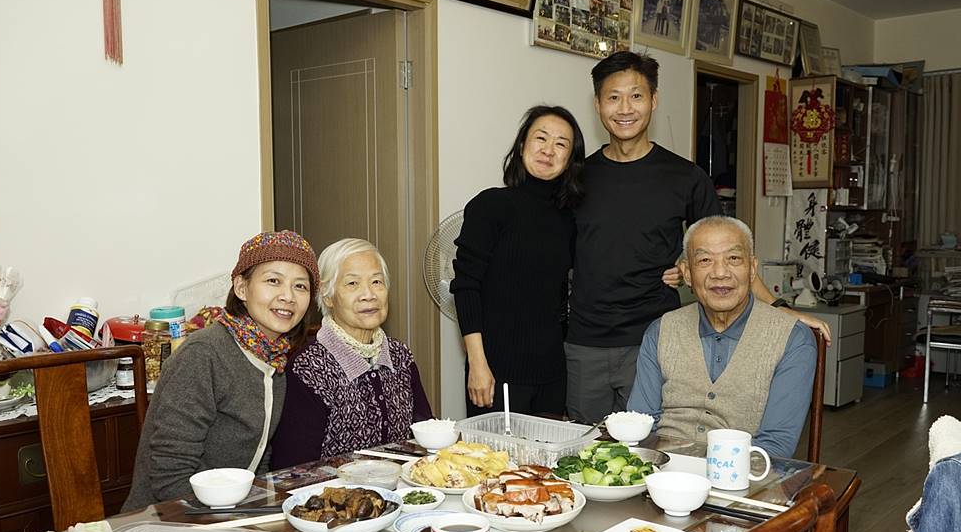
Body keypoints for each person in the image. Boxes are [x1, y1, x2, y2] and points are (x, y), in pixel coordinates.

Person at [564, 50, 829, 424]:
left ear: (654, 100)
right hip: (585, 342)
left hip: (655, 340)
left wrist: (780, 308)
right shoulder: (577, 177)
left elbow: (728, 253)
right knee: (586, 445)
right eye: (613, 97)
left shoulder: (684, 177)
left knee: (653, 444)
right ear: (598, 104)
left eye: (636, 96)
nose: (625, 108)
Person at [122, 230, 318, 511]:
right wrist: (229, 524)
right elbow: (170, 474)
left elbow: (260, 456)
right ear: (241, 288)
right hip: (170, 516)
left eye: (300, 286)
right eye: (273, 281)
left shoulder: (274, 359)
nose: (288, 296)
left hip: (232, 511)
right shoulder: (204, 354)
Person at [627, 216, 816, 458]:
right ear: (687, 273)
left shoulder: (793, 339)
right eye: (705, 260)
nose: (720, 273)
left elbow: (776, 445)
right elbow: (640, 424)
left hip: (742, 474)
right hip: (663, 469)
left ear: (752, 269)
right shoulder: (661, 330)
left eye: (733, 258)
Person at [451, 105, 585, 417]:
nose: (548, 150)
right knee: (491, 451)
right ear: (523, 144)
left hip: (552, 373)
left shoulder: (569, 219)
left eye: (561, 144)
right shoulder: (490, 206)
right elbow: (466, 287)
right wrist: (477, 364)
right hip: (496, 371)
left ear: (570, 160)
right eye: (541, 138)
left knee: (549, 450)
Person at [271, 238, 432, 466]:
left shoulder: (400, 355)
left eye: (377, 282)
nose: (369, 294)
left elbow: (425, 434)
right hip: (331, 488)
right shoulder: (308, 368)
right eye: (352, 283)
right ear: (327, 296)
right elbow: (294, 469)